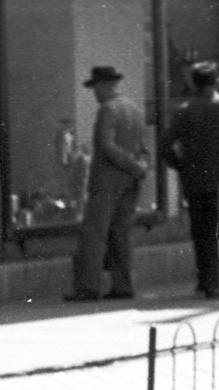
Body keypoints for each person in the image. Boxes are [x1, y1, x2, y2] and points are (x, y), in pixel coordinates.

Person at [163, 62, 219, 300]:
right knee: (216, 232)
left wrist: (181, 166)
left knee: (200, 232)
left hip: (195, 181)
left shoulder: (184, 110)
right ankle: (213, 283)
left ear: (193, 83)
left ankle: (204, 279)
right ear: (217, 81)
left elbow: (165, 146)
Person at [68, 65, 148, 302]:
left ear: (104, 86)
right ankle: (123, 285)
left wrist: (129, 164)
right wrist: (140, 167)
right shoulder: (134, 109)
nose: (94, 93)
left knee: (95, 233)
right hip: (129, 182)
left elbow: (106, 145)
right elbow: (143, 148)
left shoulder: (107, 110)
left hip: (107, 180)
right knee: (121, 233)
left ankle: (88, 287)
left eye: (95, 88)